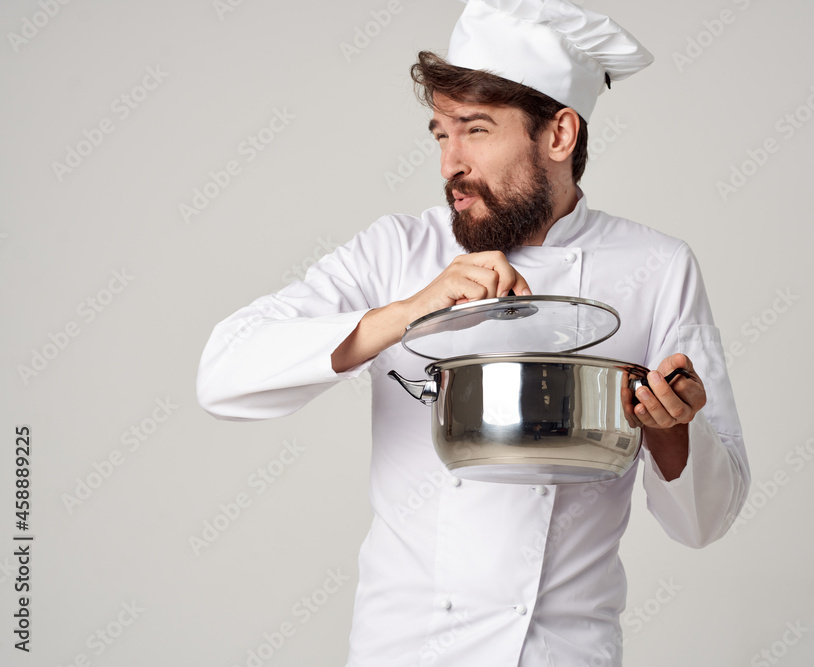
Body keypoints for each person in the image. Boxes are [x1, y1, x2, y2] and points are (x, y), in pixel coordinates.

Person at [197, 1, 750, 664]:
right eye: (439, 134)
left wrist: (670, 428)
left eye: (476, 130)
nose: (449, 163)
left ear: (560, 135)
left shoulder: (656, 267)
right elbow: (222, 376)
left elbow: (706, 522)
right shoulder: (395, 251)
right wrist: (406, 312)